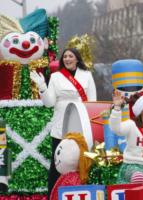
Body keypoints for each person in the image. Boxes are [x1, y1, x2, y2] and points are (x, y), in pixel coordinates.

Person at [29, 48, 96, 198]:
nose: (67, 59)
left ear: (77, 59)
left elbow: (93, 101)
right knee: (57, 165)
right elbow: (49, 103)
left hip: (82, 124)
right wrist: (42, 87)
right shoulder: (56, 77)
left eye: (70, 56)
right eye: (64, 56)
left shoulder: (87, 75)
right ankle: (53, 195)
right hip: (61, 127)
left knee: (85, 162)